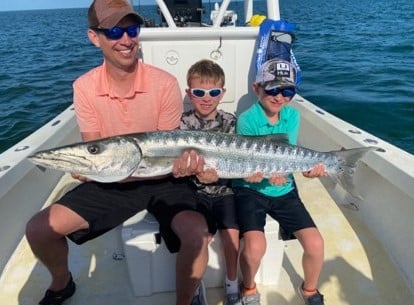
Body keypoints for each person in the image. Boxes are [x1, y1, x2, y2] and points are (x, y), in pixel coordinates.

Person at [25, 1, 210, 305]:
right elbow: (94, 149)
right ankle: (62, 283)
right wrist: (89, 167)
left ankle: (185, 300)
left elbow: (168, 150)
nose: (125, 40)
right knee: (39, 229)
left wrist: (188, 166)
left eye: (131, 29)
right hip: (112, 177)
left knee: (197, 233)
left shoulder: (164, 83)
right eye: (113, 31)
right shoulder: (84, 87)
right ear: (94, 37)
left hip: (163, 177)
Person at [232, 58, 327, 305]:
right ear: (257, 88)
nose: (279, 96)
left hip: (284, 189)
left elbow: (287, 155)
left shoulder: (293, 117)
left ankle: (309, 290)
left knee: (316, 244)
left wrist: (309, 170)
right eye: (272, 89)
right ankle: (248, 287)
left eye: (287, 91)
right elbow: (249, 164)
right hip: (251, 189)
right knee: (254, 248)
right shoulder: (246, 119)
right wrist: (252, 174)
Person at [180, 59, 241, 305]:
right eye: (199, 92)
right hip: (193, 191)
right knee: (198, 236)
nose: (207, 98)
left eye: (214, 92)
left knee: (232, 233)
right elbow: (177, 165)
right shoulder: (181, 124)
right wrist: (194, 173)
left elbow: (238, 161)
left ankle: (232, 284)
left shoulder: (231, 121)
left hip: (224, 189)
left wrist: (220, 175)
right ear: (189, 93)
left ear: (222, 93)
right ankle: (194, 287)